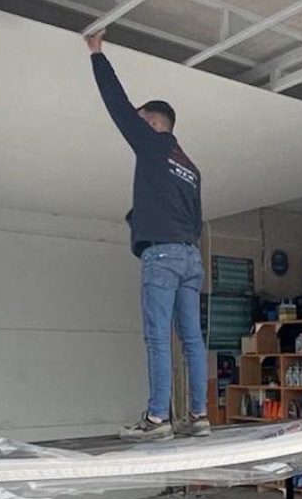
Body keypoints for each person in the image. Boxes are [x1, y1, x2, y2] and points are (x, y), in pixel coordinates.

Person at [85, 30, 209, 441]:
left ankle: (157, 419)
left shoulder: (152, 145)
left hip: (163, 257)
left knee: (158, 337)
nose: (135, 124)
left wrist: (97, 54)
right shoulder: (189, 166)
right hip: (191, 257)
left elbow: (116, 104)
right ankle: (199, 416)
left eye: (142, 120)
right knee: (192, 340)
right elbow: (195, 222)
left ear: (154, 123)